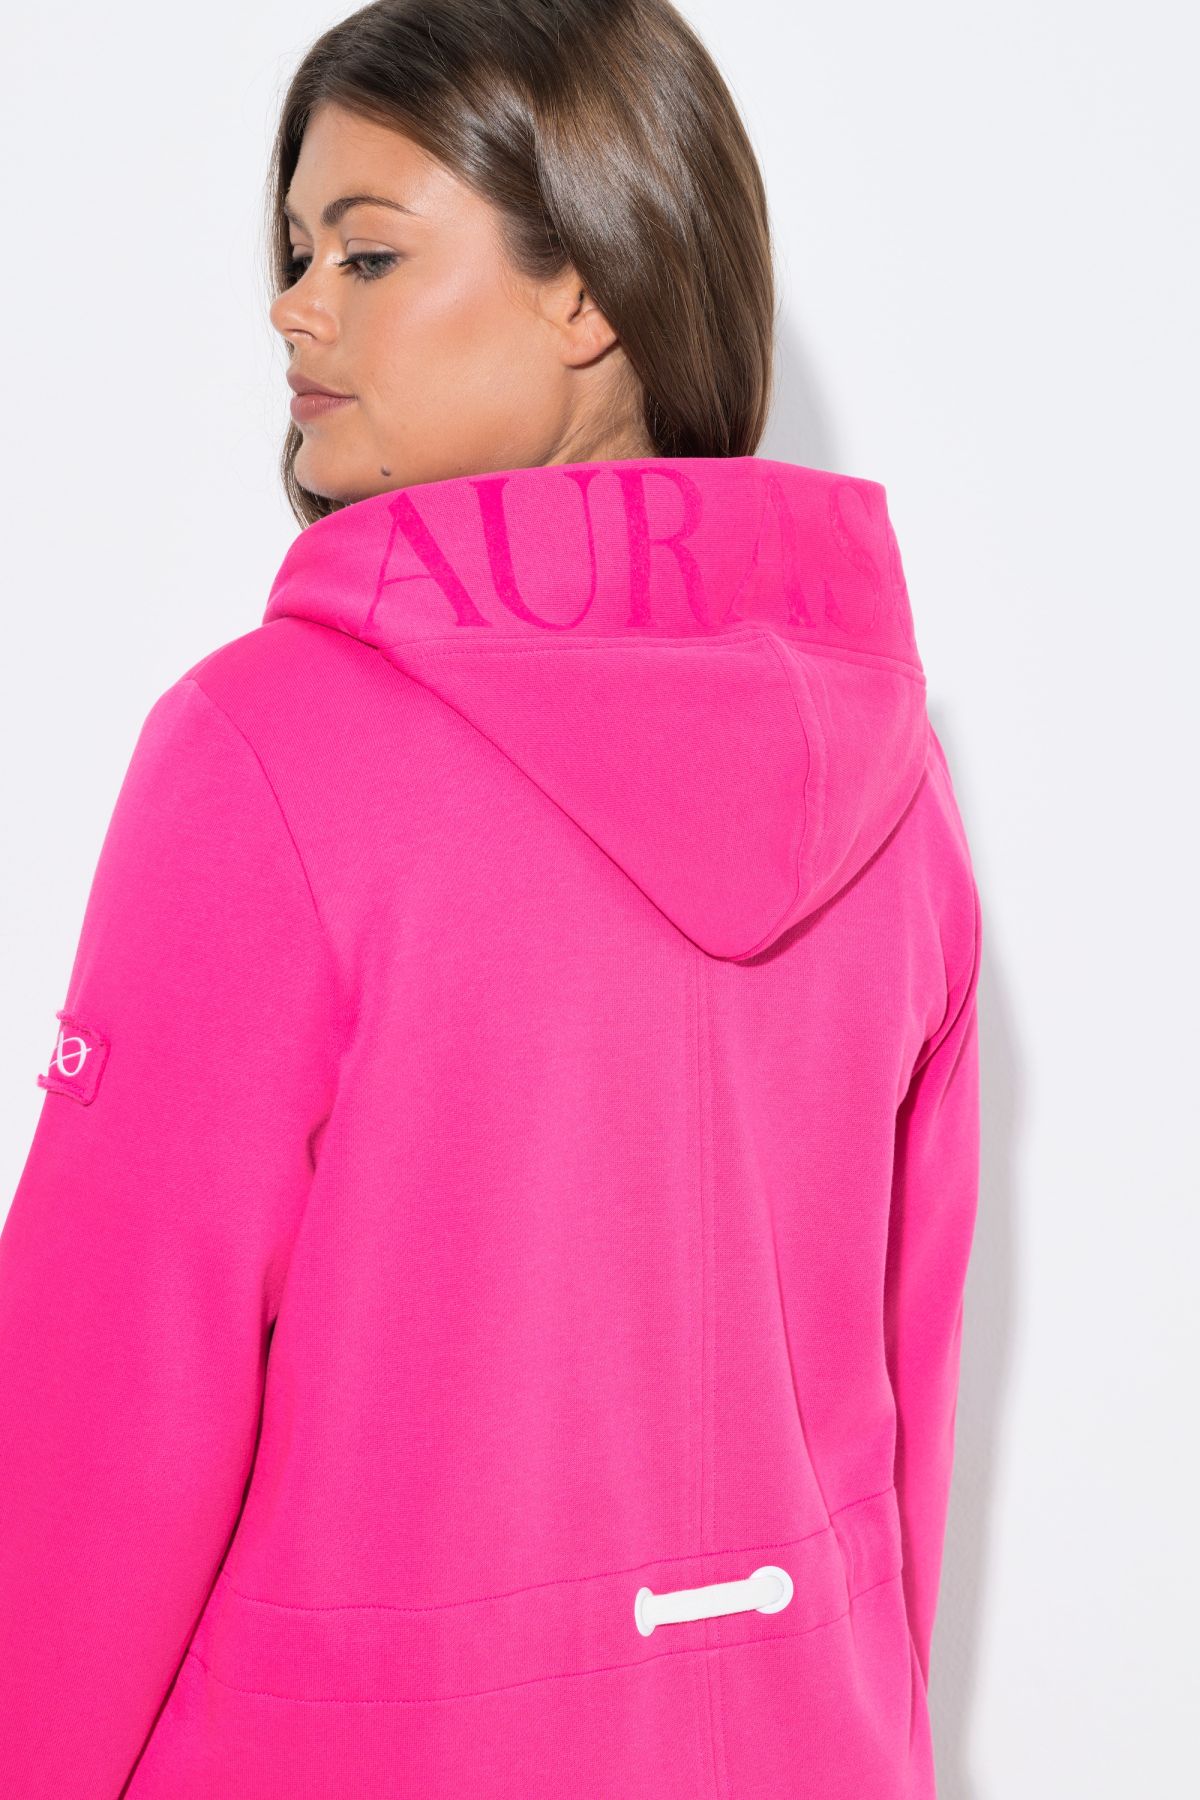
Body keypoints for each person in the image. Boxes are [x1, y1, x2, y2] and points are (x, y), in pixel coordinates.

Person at [0, 2, 982, 1795]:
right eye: (297, 252)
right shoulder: (893, 772)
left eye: (368, 253)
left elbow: (99, 1417)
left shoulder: (265, 750)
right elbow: (901, 1395)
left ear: (587, 289)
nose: (294, 309)